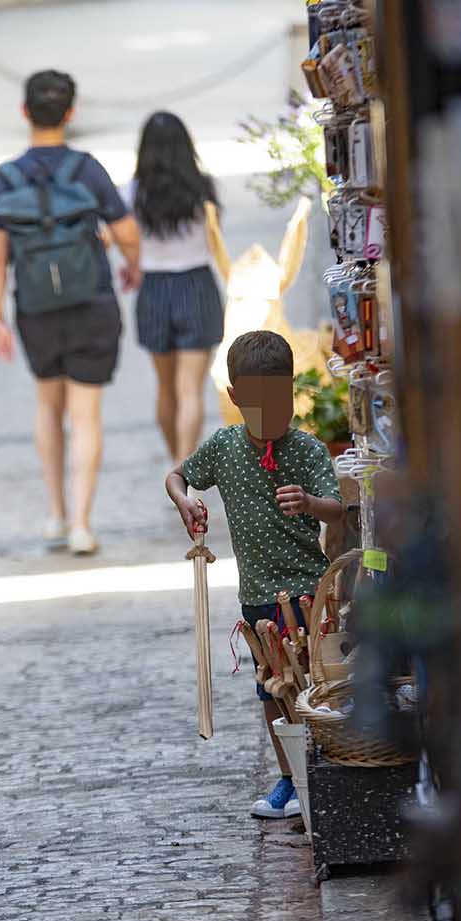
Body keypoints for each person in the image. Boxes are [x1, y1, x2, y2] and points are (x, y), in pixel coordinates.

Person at [165, 330, 344, 819]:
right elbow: (177, 475)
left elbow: (337, 509)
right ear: (236, 398)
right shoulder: (224, 449)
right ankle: (290, 778)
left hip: (310, 591)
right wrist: (186, 502)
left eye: (279, 400)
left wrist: (309, 503)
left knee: (316, 684)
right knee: (271, 687)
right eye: (257, 404)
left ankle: (327, 771)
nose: (270, 415)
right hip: (259, 598)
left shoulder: (307, 451)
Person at [0, 69, 143, 556]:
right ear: (70, 113)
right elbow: (129, 233)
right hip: (90, 300)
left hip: (35, 309)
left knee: (47, 406)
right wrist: (132, 266)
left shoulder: (6, 177)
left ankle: (54, 514)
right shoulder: (88, 169)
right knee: (86, 415)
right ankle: (82, 524)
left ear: (24, 112)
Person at [122, 112, 228, 468]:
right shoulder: (205, 189)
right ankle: (185, 471)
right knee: (190, 390)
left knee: (165, 388)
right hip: (197, 284)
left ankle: (174, 464)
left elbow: (126, 241)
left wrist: (131, 264)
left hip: (154, 290)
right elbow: (215, 242)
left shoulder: (134, 193)